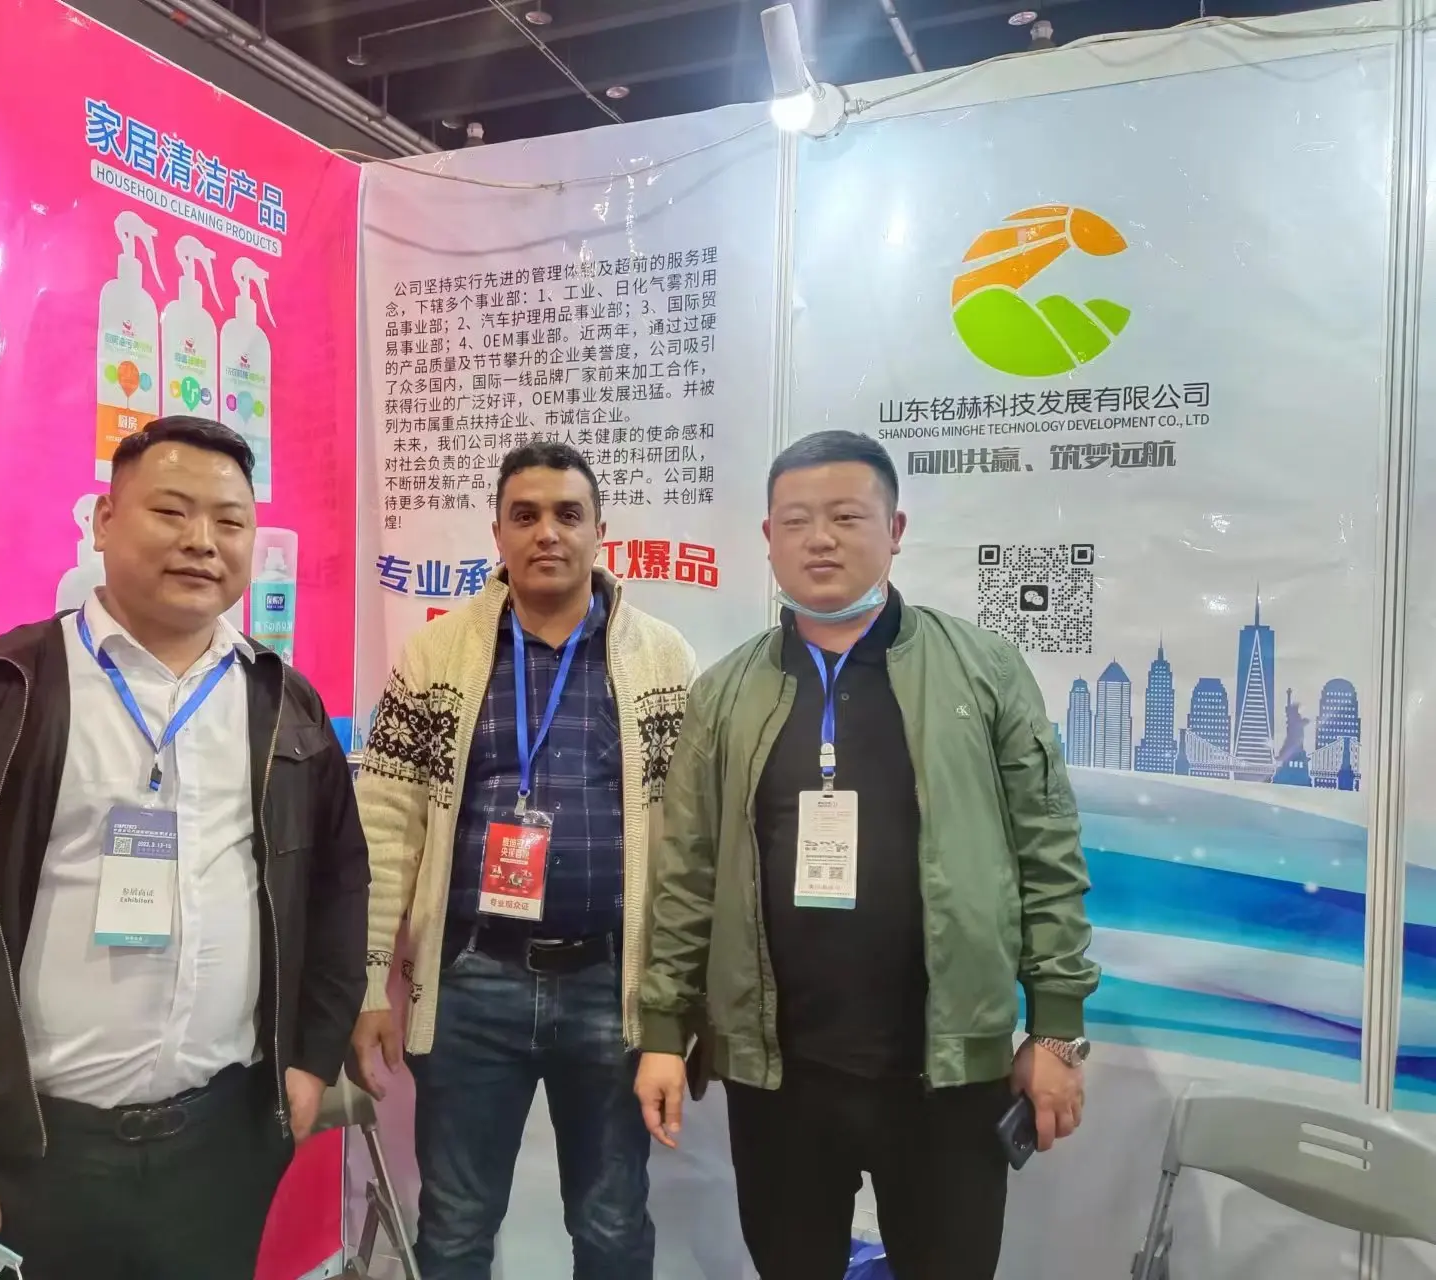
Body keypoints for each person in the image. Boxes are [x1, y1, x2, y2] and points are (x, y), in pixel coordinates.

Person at [0, 416, 370, 1280]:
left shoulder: (282, 703)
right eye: (170, 511)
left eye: (230, 521)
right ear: (103, 521)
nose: (202, 541)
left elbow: (340, 887)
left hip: (223, 1146)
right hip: (33, 1153)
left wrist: (312, 1058)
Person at [634, 430, 1099, 1280]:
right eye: (796, 520)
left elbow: (1048, 854)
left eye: (847, 516)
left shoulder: (981, 669)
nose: (820, 539)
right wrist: (665, 1030)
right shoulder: (726, 691)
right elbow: (687, 874)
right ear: (767, 538)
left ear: (896, 529)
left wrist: (1058, 1029)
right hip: (778, 1074)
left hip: (945, 1068)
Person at [351, 442, 697, 1280]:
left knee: (612, 1227)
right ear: (497, 534)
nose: (548, 532)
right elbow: (385, 826)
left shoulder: (662, 660)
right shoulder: (436, 656)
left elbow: (693, 845)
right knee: (456, 1227)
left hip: (609, 985)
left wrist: (675, 1006)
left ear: (600, 531)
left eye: (568, 514)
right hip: (474, 982)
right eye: (526, 515)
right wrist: (364, 985)